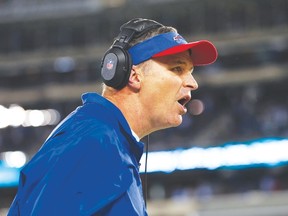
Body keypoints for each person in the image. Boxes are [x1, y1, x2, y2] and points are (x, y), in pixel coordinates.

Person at [8, 18, 218, 216]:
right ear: (134, 76)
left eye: (190, 71)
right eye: (177, 68)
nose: (193, 83)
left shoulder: (108, 141)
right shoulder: (94, 144)